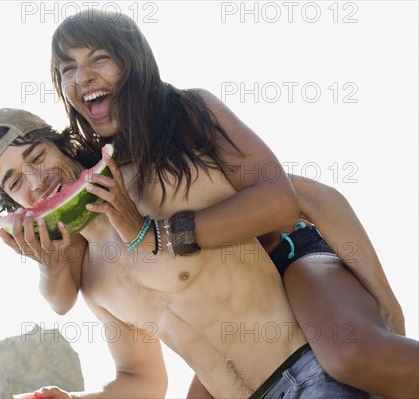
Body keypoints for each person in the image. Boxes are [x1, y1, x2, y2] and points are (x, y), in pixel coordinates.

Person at [43, 9, 417, 398]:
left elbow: (301, 196)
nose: (82, 76)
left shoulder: (185, 115)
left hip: (288, 257)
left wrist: (388, 304)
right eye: (67, 68)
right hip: (232, 315)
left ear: (133, 61)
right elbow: (62, 297)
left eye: (99, 58)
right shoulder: (98, 170)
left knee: (350, 354)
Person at [0, 107, 370, 398]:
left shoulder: (152, 179)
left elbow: (304, 197)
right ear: (16, 209)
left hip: (314, 375)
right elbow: (140, 378)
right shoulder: (89, 278)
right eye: (16, 181)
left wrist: (385, 307)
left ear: (65, 147)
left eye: (38, 157)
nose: (38, 180)